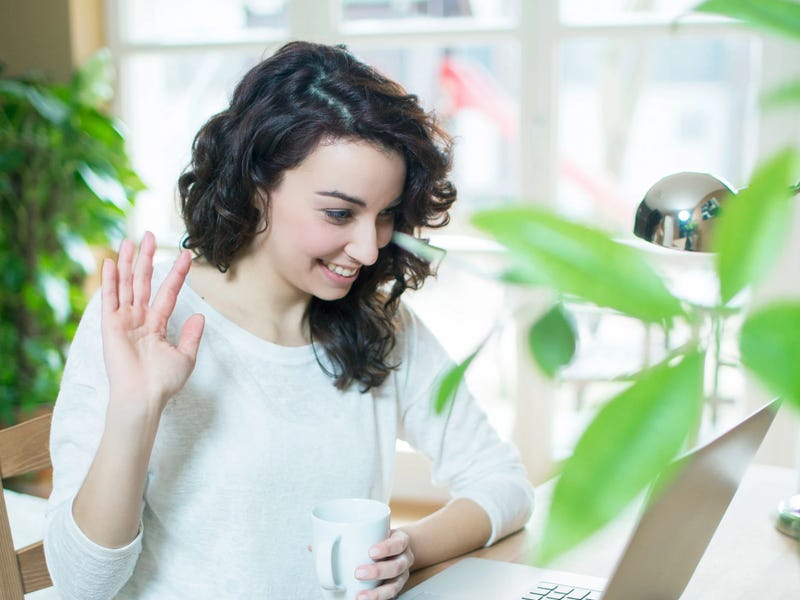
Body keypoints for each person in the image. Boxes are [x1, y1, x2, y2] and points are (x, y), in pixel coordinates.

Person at [44, 41, 534, 599]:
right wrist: (135, 411)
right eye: (339, 213)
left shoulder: (379, 327)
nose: (369, 250)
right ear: (256, 190)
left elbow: (505, 483)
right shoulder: (146, 324)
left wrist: (408, 551)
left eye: (386, 215)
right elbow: (81, 586)